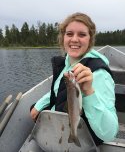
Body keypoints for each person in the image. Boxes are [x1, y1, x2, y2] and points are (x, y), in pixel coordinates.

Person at [30, 12, 119, 146]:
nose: (74, 39)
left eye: (82, 35)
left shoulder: (99, 74)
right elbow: (57, 88)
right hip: (62, 121)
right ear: (63, 37)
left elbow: (109, 133)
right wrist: (38, 106)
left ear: (90, 39)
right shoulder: (66, 63)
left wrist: (88, 91)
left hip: (85, 135)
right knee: (32, 108)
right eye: (69, 34)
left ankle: (72, 136)